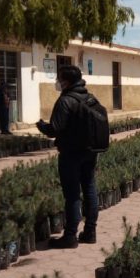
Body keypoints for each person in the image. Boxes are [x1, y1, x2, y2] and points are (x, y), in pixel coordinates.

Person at [36, 65, 102, 248]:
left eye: (59, 79)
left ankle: (70, 236)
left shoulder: (65, 100)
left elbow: (55, 129)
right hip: (90, 152)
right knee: (89, 189)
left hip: (71, 153)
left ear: (65, 81)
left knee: (72, 194)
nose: (57, 82)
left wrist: (42, 126)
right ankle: (90, 232)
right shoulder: (90, 98)